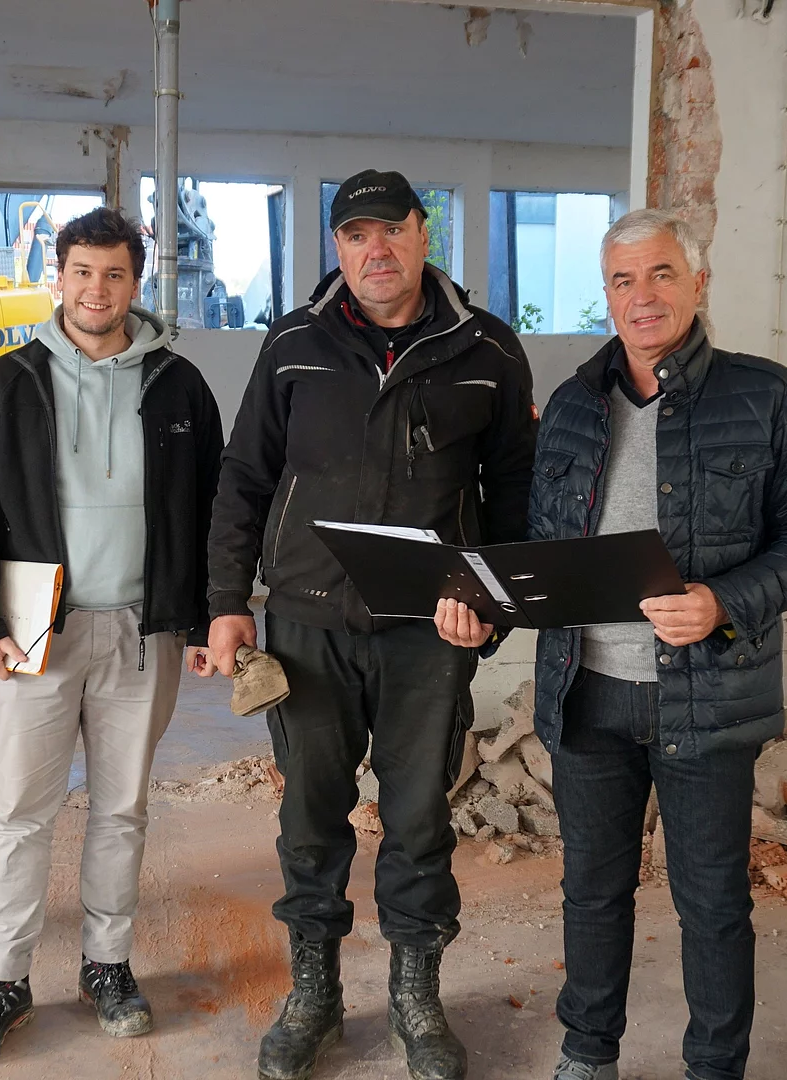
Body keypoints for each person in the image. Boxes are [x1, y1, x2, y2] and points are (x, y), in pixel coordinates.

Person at [454, 208, 787, 1080]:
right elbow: (539, 550)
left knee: (711, 903)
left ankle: (713, 1066)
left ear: (697, 282)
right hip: (586, 690)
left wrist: (721, 603)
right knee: (592, 892)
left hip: (706, 697)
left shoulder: (764, 395)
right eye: (622, 280)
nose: (642, 296)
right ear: (606, 297)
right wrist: (484, 611)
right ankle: (587, 1053)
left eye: (661, 273)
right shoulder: (571, 406)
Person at [208, 169, 536, 1080]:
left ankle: (414, 998)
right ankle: (313, 994)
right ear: (339, 248)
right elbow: (244, 477)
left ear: (424, 234)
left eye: (390, 229)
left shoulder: (486, 349)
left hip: (428, 632)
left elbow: (514, 495)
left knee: (418, 817)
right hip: (306, 624)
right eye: (355, 235)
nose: (375, 250)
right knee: (310, 817)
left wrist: (490, 608)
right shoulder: (295, 343)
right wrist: (227, 603)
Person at [0, 207, 223, 1065]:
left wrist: (206, 616)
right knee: (21, 812)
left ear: (135, 283)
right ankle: (1, 978)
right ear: (57, 278)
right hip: (36, 631)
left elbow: (213, 509)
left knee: (121, 809)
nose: (97, 290)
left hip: (143, 630)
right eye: (82, 272)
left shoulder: (178, 384)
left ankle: (107, 964)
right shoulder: (8, 381)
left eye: (114, 274)